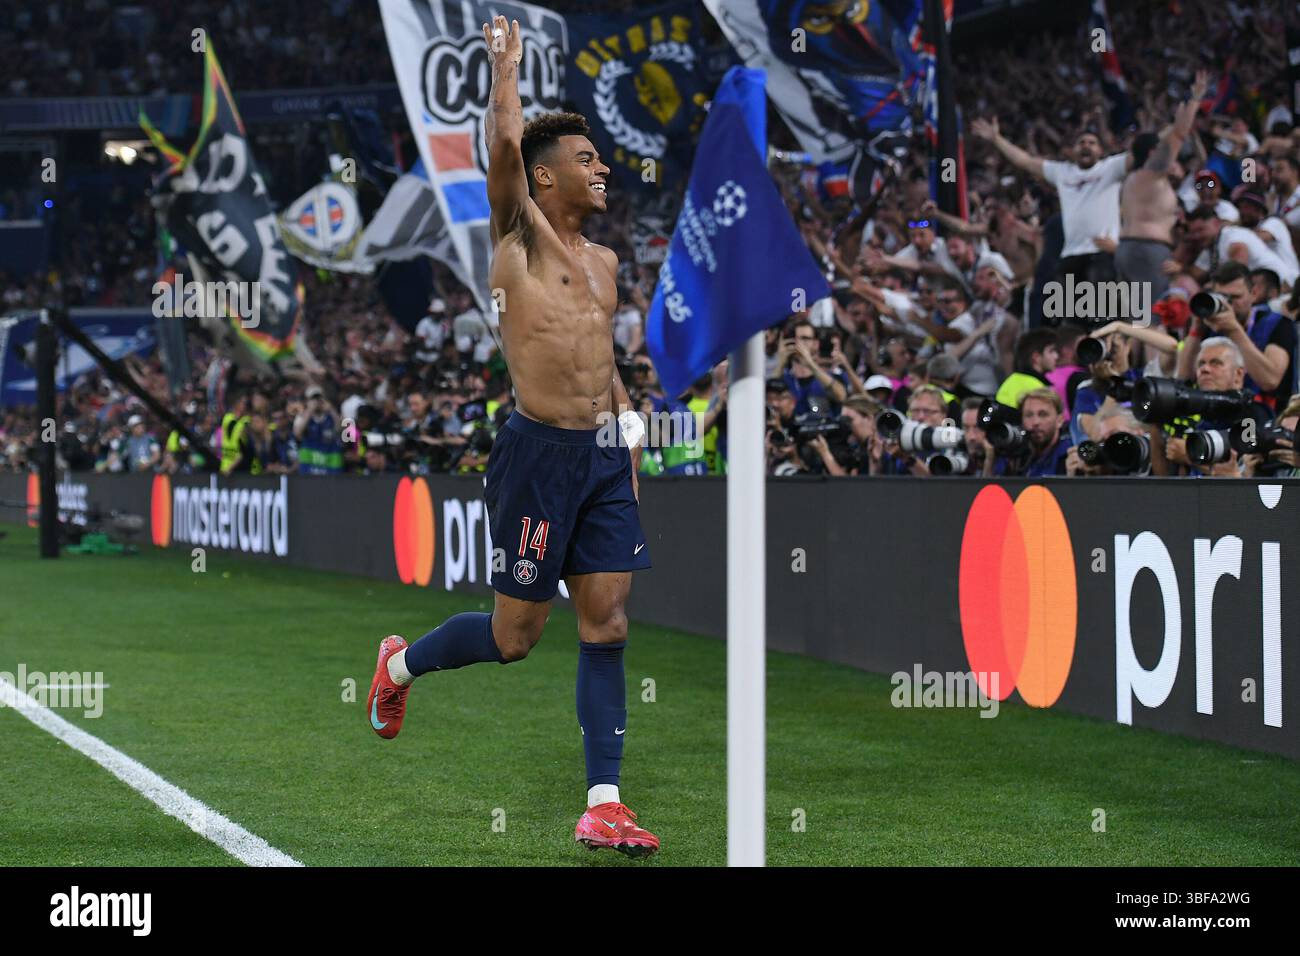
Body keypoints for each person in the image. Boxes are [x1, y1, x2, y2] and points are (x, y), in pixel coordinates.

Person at [365, 17, 657, 858]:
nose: (601, 166)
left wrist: (630, 438)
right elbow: (501, 149)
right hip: (536, 458)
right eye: (585, 157)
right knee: (513, 640)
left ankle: (604, 803)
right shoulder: (517, 237)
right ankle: (396, 669)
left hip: (600, 457)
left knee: (607, 624)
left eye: (601, 156)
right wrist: (504, 69)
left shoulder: (602, 261)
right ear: (542, 175)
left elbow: (603, 363)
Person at [1116, 73, 1206, 304]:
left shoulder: (1134, 179)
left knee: (1137, 322)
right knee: (1155, 319)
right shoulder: (1150, 174)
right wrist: (1195, 98)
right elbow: (1178, 133)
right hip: (1147, 250)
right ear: (1152, 154)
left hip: (1129, 251)